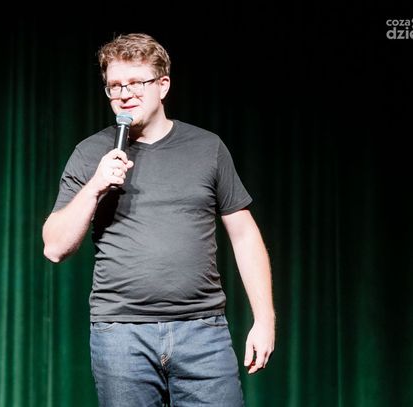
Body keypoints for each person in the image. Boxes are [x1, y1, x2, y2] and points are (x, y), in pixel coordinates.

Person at [42, 33, 275, 407]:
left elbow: (244, 234)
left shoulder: (207, 148)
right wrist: (95, 187)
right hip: (121, 335)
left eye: (136, 83)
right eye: (115, 86)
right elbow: (54, 247)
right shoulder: (90, 154)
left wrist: (264, 321)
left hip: (202, 332)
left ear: (163, 85)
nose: (124, 94)